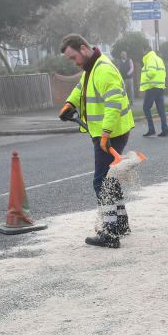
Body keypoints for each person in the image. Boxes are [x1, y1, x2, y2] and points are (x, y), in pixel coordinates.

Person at [58, 34, 134, 248]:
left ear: (83, 48)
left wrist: (105, 134)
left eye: (74, 57)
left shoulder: (103, 69)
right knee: (111, 178)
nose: (74, 62)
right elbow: (80, 88)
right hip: (107, 133)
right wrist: (69, 105)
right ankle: (120, 223)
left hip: (111, 134)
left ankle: (110, 233)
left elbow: (114, 103)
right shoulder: (92, 68)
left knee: (101, 181)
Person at [140, 45, 168, 137]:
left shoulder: (150, 59)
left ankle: (151, 129)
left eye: (143, 51)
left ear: (146, 51)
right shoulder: (159, 59)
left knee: (146, 108)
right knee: (161, 109)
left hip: (152, 87)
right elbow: (163, 72)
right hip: (160, 86)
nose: (142, 53)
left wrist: (145, 80)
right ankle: (165, 130)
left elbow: (152, 72)